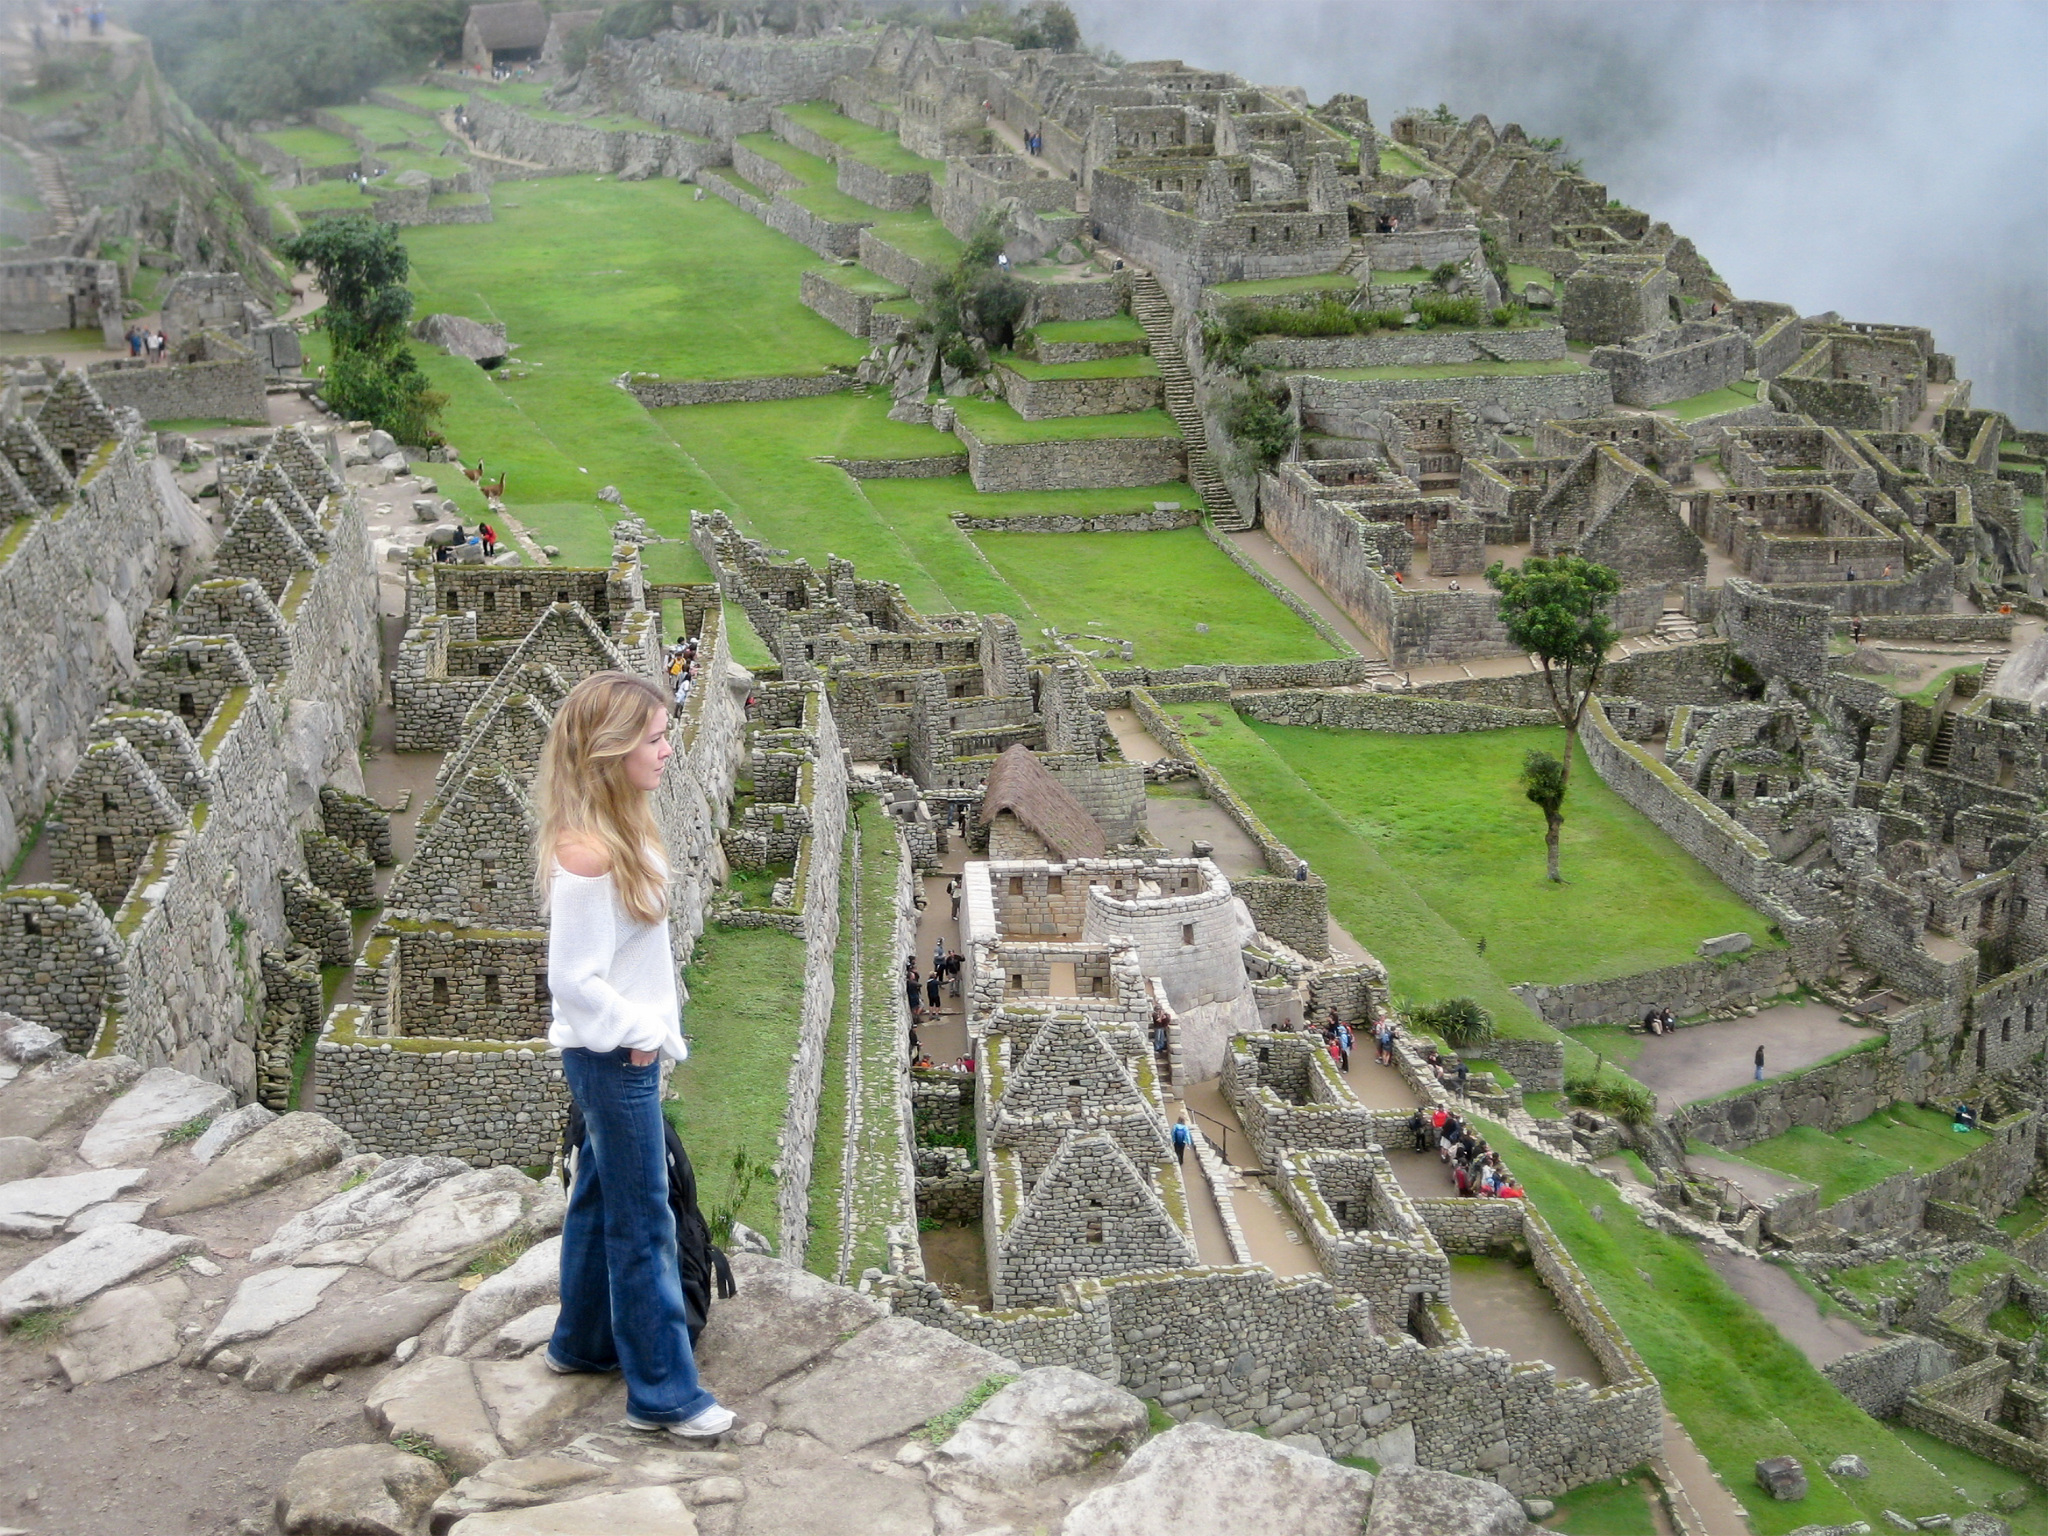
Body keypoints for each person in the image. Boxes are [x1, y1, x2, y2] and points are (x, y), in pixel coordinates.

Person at [533, 671, 733, 1439]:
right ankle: (664, 1394)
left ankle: (581, 1343)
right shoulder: (588, 858)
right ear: (612, 751)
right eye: (653, 738)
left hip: (615, 1056)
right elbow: (571, 980)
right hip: (615, 1059)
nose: (667, 749)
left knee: (598, 1194)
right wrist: (640, 1034)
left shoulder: (621, 831)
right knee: (644, 1219)